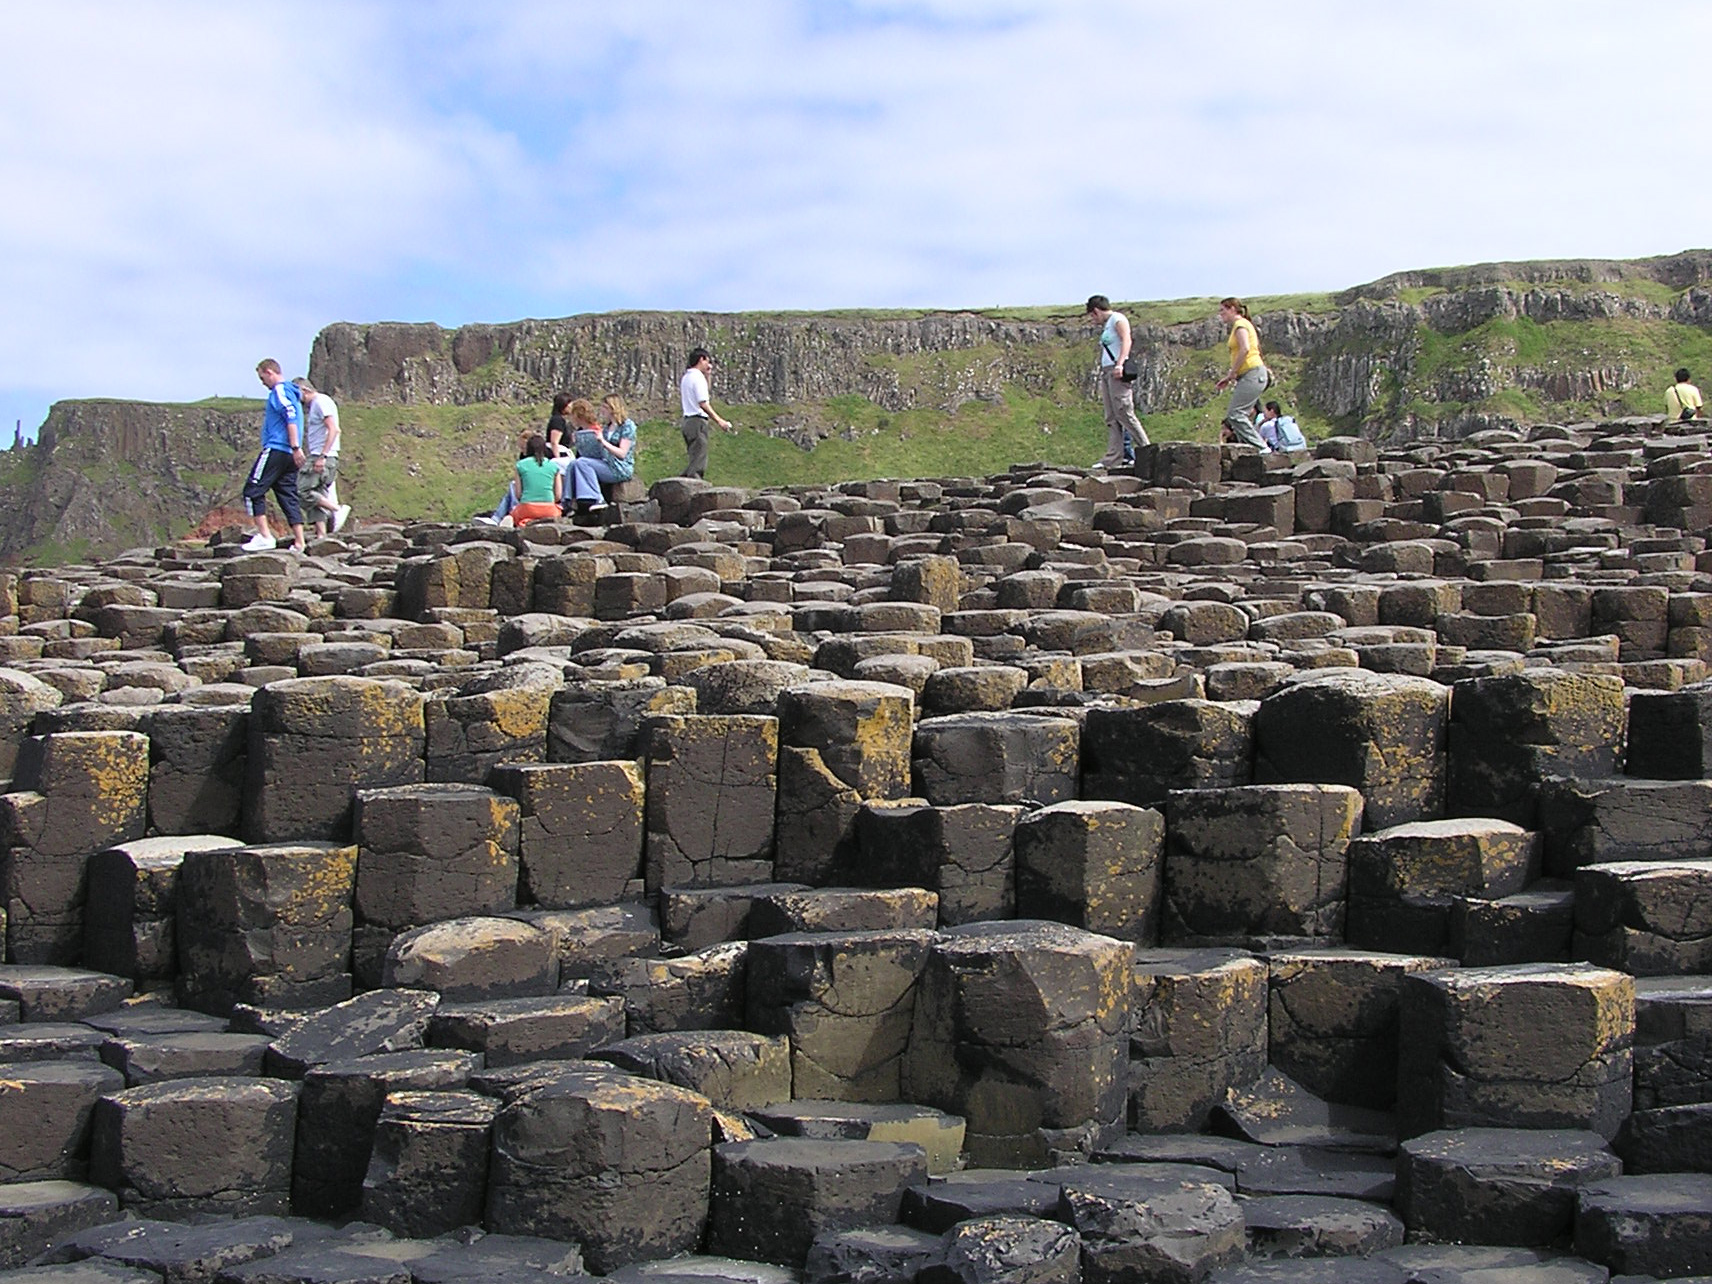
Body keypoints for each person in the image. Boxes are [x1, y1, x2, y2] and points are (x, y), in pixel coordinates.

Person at [243, 359, 307, 552]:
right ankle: (300, 542)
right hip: (288, 455)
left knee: (252, 489)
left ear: (270, 372)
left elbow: (290, 415)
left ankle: (264, 536)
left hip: (278, 448)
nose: (262, 383)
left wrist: (296, 446)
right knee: (287, 494)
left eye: (262, 378)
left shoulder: (280, 390)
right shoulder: (293, 393)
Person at [1085, 295, 1148, 468]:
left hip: (1116, 369)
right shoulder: (1107, 326)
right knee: (1111, 415)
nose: (1093, 320)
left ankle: (1147, 448)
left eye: (1092, 315)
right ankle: (1114, 457)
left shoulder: (1118, 319)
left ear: (1096, 311)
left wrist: (1120, 364)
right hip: (1107, 371)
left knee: (1124, 411)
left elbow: (1126, 340)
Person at [292, 378, 351, 535]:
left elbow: (334, 429)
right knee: (315, 493)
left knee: (301, 490)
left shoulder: (320, 402)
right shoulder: (317, 405)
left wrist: (322, 456)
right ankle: (321, 535)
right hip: (318, 454)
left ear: (303, 390)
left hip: (322, 455)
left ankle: (336, 510)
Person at [567, 393, 638, 512]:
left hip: (620, 467)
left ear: (613, 408)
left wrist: (603, 442)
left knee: (583, 463)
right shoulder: (607, 428)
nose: (601, 411)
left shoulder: (627, 426)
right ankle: (569, 500)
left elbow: (622, 453)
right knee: (575, 464)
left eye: (604, 407)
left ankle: (597, 498)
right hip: (606, 463)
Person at [1215, 298, 1269, 449]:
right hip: (1249, 374)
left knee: (1236, 414)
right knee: (1238, 414)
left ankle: (1261, 448)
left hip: (1252, 373)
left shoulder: (1240, 325)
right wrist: (1229, 377)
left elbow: (1245, 348)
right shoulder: (1241, 325)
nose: (1220, 314)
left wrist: (1232, 373)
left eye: (1222, 310)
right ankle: (1252, 448)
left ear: (1232, 309)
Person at [679, 347, 730, 479]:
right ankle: (694, 482)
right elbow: (703, 402)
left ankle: (686, 478)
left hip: (687, 421)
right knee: (699, 456)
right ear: (701, 359)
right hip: (697, 420)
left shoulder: (687, 377)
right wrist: (719, 420)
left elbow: (704, 391)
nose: (709, 365)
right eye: (707, 361)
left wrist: (708, 376)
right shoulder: (697, 377)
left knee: (694, 454)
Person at [505, 434, 562, 526]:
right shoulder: (554, 466)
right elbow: (558, 495)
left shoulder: (520, 465)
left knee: (513, 515)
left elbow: (518, 494)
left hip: (527, 508)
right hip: (549, 510)